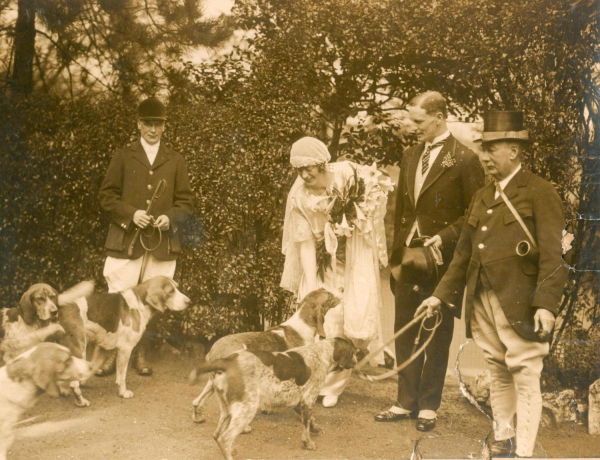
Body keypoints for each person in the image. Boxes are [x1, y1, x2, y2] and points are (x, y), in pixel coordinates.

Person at [416, 111, 568, 457]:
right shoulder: (483, 195)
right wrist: (439, 297)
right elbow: (464, 255)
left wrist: (546, 303)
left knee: (526, 376)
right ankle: (503, 438)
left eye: (491, 149)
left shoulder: (539, 192)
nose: (484, 157)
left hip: (521, 301)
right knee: (498, 371)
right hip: (483, 299)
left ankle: (524, 452)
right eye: (483, 150)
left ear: (514, 150)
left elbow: (554, 255)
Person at [375, 91, 485, 431]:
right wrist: (394, 252)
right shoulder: (409, 155)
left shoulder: (464, 158)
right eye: (411, 119)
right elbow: (404, 210)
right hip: (408, 258)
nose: (412, 127)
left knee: (436, 329)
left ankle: (428, 406)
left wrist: (448, 237)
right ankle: (404, 401)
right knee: (404, 326)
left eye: (418, 121)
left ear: (439, 117)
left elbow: (475, 211)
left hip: (442, 261)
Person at [280, 136, 393, 408]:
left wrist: (352, 230)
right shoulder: (299, 197)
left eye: (310, 168)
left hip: (355, 254)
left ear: (322, 164)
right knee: (327, 321)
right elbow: (305, 242)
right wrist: (310, 285)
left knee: (350, 320)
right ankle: (318, 380)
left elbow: (375, 208)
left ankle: (335, 386)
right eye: (299, 170)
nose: (305, 175)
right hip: (323, 260)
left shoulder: (348, 175)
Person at [97, 96, 194, 376]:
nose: (153, 129)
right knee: (119, 296)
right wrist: (131, 214)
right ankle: (108, 354)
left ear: (164, 127)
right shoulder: (123, 155)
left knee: (152, 302)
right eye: (148, 124)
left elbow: (186, 201)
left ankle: (138, 354)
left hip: (161, 243)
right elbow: (106, 196)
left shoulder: (175, 159)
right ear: (139, 124)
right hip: (127, 241)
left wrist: (170, 218)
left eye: (158, 125)